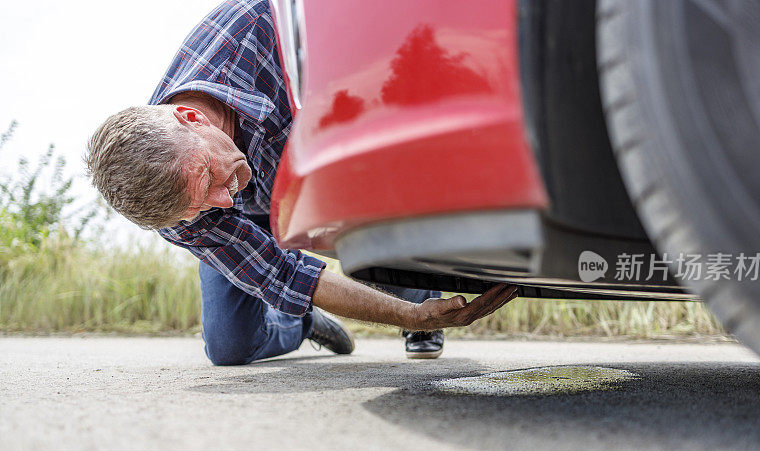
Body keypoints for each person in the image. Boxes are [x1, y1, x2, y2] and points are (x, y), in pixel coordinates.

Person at [85, 0, 517, 366]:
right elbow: (283, 275)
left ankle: (414, 282)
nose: (224, 200)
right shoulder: (176, 207)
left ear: (192, 117)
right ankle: (305, 322)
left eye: (209, 178)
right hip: (271, 189)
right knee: (228, 348)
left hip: (326, 157)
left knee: (360, 207)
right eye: (201, 208)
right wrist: (411, 317)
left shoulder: (259, 26)